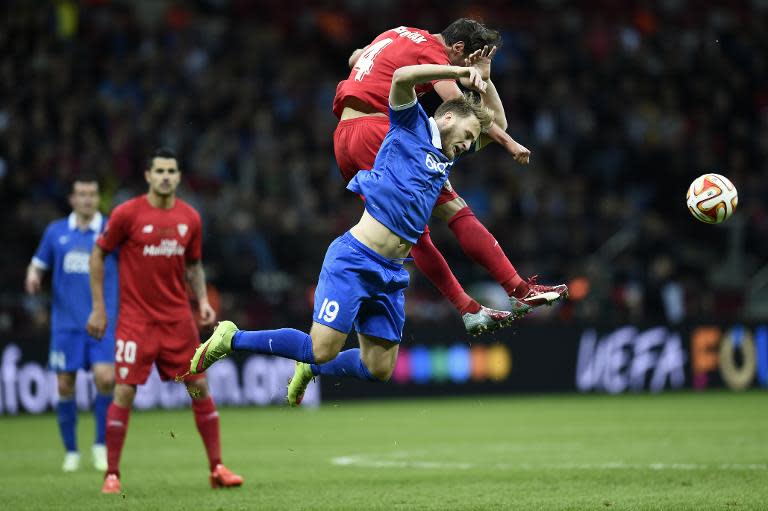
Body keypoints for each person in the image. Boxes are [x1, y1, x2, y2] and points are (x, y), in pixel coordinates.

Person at [190, 62, 503, 408]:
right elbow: (402, 77)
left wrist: (485, 81)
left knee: (379, 368)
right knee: (320, 348)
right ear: (447, 119)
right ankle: (231, 337)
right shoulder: (409, 125)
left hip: (393, 272)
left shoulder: (447, 155)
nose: (469, 144)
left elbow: (497, 126)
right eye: (468, 135)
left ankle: (311, 370)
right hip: (355, 259)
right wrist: (454, 71)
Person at [334, 19, 568, 334]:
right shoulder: (434, 53)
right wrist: (508, 143)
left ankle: (471, 307)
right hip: (376, 132)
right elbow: (460, 108)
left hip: (345, 138)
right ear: (458, 48)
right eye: (466, 60)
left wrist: (484, 78)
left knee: (409, 230)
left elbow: (355, 58)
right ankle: (517, 291)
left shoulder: (396, 33)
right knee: (451, 208)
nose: (460, 67)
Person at [86, 148, 242, 494]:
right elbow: (98, 255)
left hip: (177, 321)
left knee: (199, 387)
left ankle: (217, 467)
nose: (166, 176)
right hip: (136, 322)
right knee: (124, 391)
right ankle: (112, 474)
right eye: (159, 171)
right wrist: (99, 308)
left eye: (171, 170)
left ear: (179, 175)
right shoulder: (127, 214)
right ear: (148, 176)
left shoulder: (190, 218)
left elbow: (193, 266)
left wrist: (201, 300)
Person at [25, 177, 118, 472]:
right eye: (82, 194)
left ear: (98, 198)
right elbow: (37, 264)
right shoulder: (56, 232)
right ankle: (71, 451)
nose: (87, 199)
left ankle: (100, 445)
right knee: (65, 384)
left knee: (106, 379)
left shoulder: (111, 231)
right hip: (66, 324)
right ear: (72, 199)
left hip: (103, 321)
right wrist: (33, 276)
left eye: (92, 194)